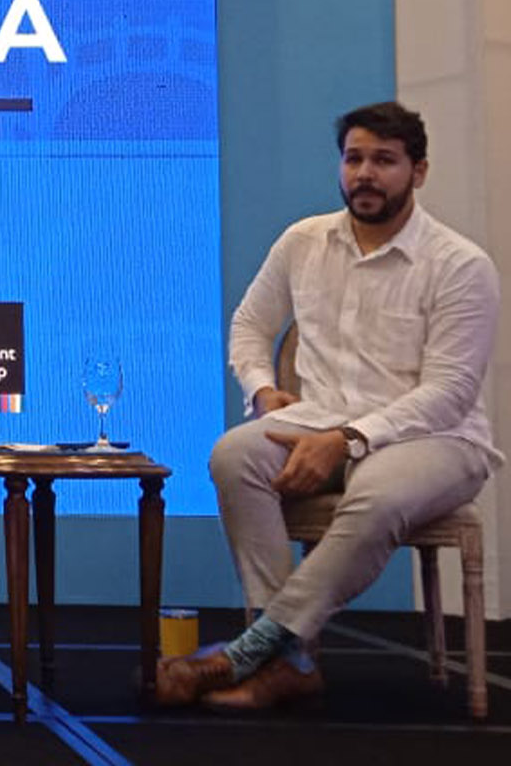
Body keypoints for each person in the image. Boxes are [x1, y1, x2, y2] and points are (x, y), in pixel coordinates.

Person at [160, 101, 500, 710]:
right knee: (233, 456)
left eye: (384, 161)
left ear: (418, 172)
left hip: (438, 441)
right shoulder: (304, 241)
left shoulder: (460, 265)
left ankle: (255, 650)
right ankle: (292, 658)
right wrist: (263, 391)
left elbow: (448, 394)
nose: (365, 174)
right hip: (319, 420)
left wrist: (345, 439)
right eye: (354, 159)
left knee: (379, 493)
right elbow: (249, 325)